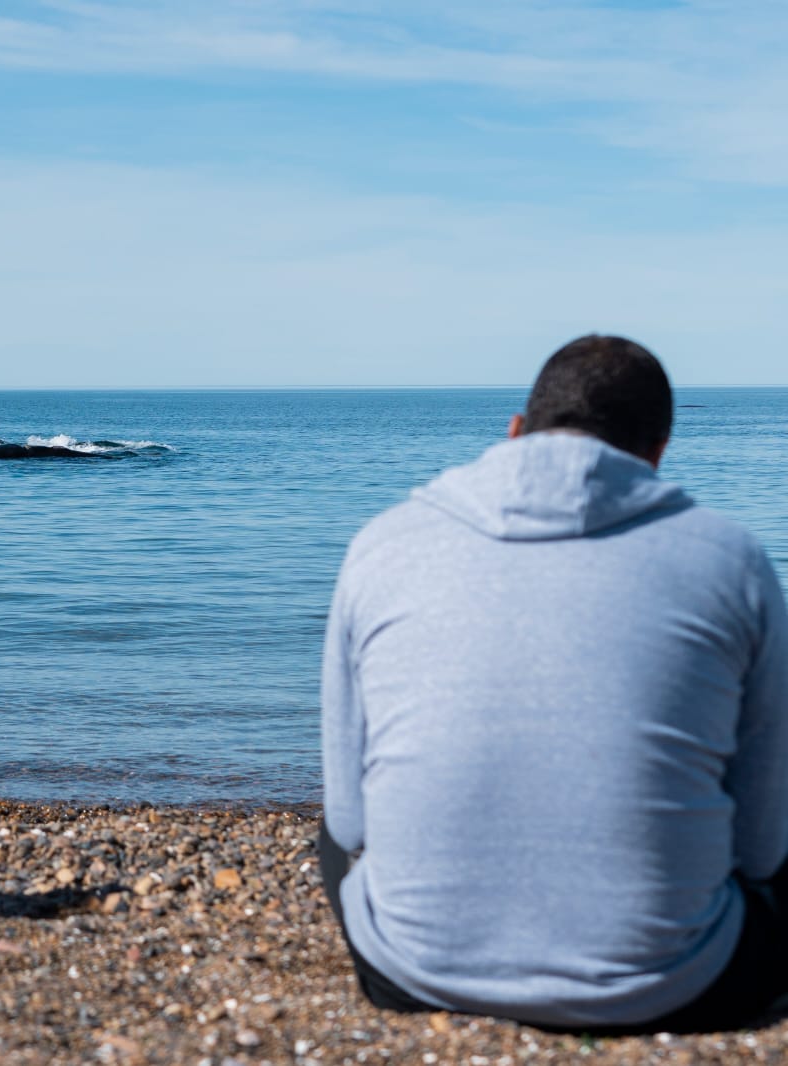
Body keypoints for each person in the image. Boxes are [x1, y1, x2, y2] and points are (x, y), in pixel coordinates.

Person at [320, 335, 788, 1031]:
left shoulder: (381, 543)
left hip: (409, 969)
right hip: (676, 984)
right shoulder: (731, 559)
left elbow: (348, 821)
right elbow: (762, 844)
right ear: (655, 451)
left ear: (513, 433)